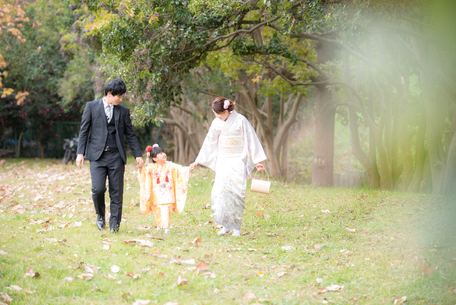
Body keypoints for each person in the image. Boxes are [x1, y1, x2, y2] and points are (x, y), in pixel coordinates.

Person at [189, 97, 266, 237]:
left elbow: (250, 139)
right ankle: (225, 225)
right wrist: (198, 160)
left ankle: (236, 226)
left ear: (226, 110)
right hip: (223, 160)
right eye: (215, 114)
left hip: (237, 160)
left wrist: (257, 160)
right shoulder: (216, 122)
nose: (217, 116)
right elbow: (209, 141)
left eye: (218, 114)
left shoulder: (241, 120)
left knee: (236, 193)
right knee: (220, 192)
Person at [76, 78, 143, 233]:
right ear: (109, 93)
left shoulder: (123, 111)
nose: (121, 99)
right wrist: (80, 153)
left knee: (116, 192)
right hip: (97, 157)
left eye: (122, 96)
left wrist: (137, 155)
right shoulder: (91, 107)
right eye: (119, 96)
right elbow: (84, 131)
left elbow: (130, 135)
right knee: (98, 189)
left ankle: (115, 225)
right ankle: (100, 215)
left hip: (116, 157)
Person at [138, 144, 189, 233]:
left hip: (168, 193)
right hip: (156, 194)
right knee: (157, 210)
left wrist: (188, 169)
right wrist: (140, 168)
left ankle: (166, 227)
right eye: (160, 153)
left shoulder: (170, 165)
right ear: (154, 158)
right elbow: (144, 175)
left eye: (163, 152)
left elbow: (180, 169)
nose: (163, 154)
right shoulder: (151, 168)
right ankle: (159, 226)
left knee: (166, 209)